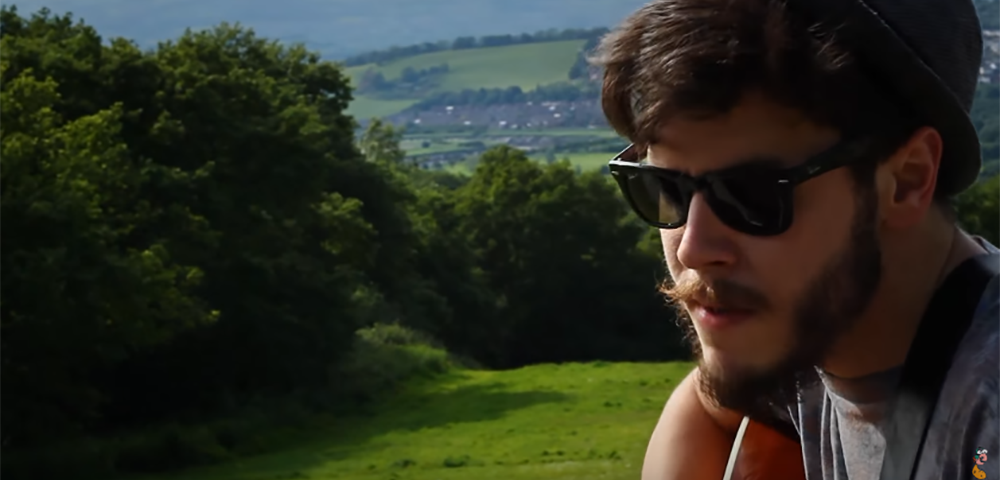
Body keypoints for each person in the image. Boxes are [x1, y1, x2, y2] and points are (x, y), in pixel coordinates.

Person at [592, 0, 1000, 479]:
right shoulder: (807, 336)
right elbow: (708, 401)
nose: (692, 248)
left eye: (752, 196)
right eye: (665, 188)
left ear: (907, 180)